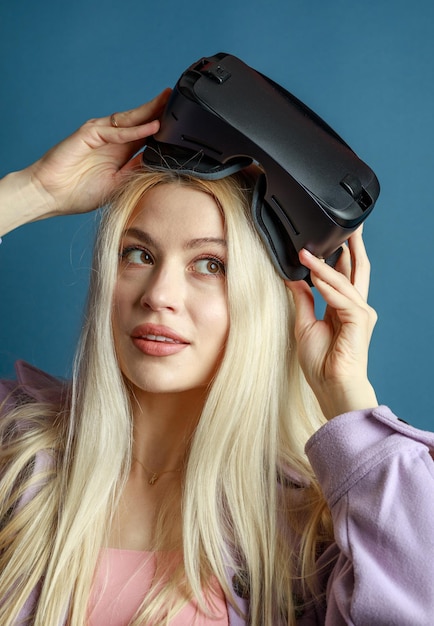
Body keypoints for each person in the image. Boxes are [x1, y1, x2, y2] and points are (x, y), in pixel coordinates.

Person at [1, 90, 434, 626]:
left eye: (210, 264)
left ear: (271, 297)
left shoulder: (313, 532)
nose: (159, 294)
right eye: (138, 254)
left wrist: (351, 404)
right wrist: (32, 192)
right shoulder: (15, 455)